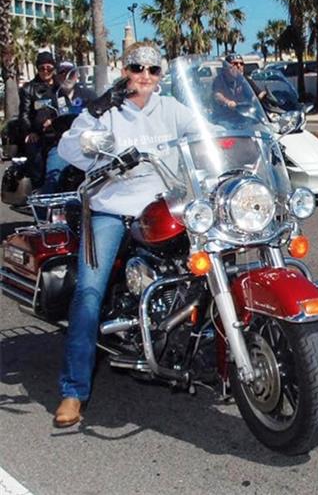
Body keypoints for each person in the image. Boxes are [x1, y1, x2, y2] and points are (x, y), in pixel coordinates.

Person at [53, 42, 201, 428]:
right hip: (111, 208)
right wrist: (93, 129)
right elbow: (69, 146)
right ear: (126, 69)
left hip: (166, 208)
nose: (145, 77)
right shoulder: (108, 110)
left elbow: (206, 131)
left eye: (153, 70)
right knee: (89, 293)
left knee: (212, 261)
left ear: (161, 74)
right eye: (138, 68)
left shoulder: (171, 108)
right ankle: (73, 390)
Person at [39, 62, 96, 194]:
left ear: (76, 75)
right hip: (62, 144)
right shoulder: (50, 96)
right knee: (53, 175)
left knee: (104, 173)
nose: (66, 76)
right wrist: (47, 120)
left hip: (88, 145)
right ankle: (46, 210)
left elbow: (103, 112)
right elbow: (41, 115)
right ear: (57, 76)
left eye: (70, 73)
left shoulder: (89, 94)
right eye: (62, 73)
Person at [18, 51, 58, 186]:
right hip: (40, 134)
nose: (45, 71)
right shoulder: (28, 89)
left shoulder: (61, 86)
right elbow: (24, 114)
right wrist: (31, 132)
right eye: (42, 68)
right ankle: (38, 189)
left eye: (49, 68)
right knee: (36, 156)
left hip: (60, 131)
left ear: (53, 67)